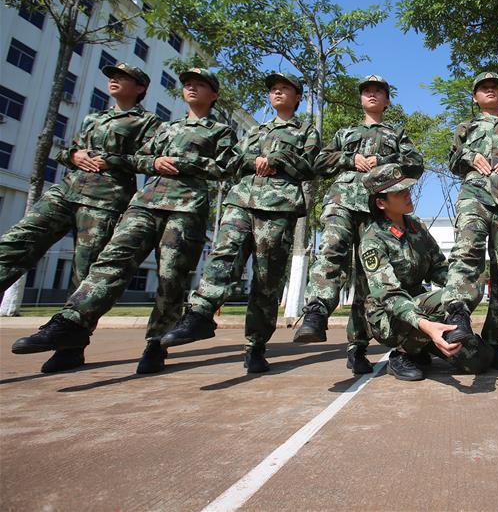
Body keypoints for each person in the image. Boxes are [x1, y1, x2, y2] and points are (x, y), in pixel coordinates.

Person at [11, 68, 237, 374]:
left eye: (200, 85)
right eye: (187, 84)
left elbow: (226, 167)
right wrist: (154, 162)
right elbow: (135, 159)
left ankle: (156, 344)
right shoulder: (166, 129)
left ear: (214, 95)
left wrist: (184, 163)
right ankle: (71, 322)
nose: (192, 88)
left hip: (186, 207)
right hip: (145, 202)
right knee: (113, 259)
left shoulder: (220, 131)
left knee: (171, 277)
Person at [0, 62, 160, 373]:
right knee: (17, 242)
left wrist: (110, 159)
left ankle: (70, 346)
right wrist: (73, 156)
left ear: (140, 87)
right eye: (112, 76)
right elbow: (68, 149)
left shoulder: (148, 123)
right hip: (67, 190)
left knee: (85, 272)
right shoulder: (94, 117)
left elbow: (149, 160)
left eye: (123, 77)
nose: (114, 80)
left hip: (106, 200)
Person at [160, 72, 320, 373]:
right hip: (241, 200)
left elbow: (311, 165)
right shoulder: (256, 130)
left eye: (285, 89)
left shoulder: (305, 131)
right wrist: (253, 162)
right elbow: (232, 160)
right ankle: (200, 313)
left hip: (277, 207)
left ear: (297, 97)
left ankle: (256, 344)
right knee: (223, 255)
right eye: (273, 89)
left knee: (266, 278)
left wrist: (278, 160)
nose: (277, 93)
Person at [293, 75, 424, 376]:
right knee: (331, 253)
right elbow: (320, 162)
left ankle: (357, 347)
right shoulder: (345, 132)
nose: (372, 95)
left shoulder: (396, 134)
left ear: (388, 100)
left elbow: (416, 162)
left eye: (379, 92)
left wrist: (385, 159)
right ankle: (315, 313)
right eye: (367, 91)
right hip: (341, 200)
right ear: (361, 98)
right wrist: (351, 158)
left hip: (376, 208)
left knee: (369, 276)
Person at [359, 164, 493, 380]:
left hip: (424, 308)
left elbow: (439, 268)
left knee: (479, 361)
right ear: (381, 202)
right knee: (445, 299)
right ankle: (402, 354)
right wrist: (428, 326)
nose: (407, 194)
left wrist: (463, 282)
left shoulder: (416, 227)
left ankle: (424, 346)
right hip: (389, 317)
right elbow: (389, 296)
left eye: (407, 189)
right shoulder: (372, 240)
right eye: (399, 192)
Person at [441, 71, 498, 372]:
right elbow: (452, 161)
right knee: (466, 255)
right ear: (475, 96)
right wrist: (469, 155)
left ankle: (495, 343)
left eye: (495, 87)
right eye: (484, 88)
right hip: (474, 197)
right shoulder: (465, 127)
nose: (490, 90)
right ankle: (457, 316)